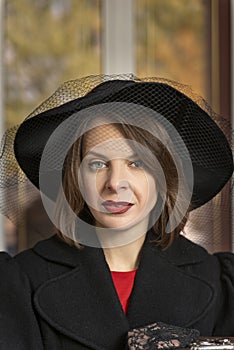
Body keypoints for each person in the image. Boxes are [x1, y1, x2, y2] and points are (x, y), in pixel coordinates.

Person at [0, 74, 233, 350]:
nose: (114, 183)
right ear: (76, 179)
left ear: (164, 179)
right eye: (98, 164)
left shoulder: (220, 283)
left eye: (136, 163)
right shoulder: (20, 283)